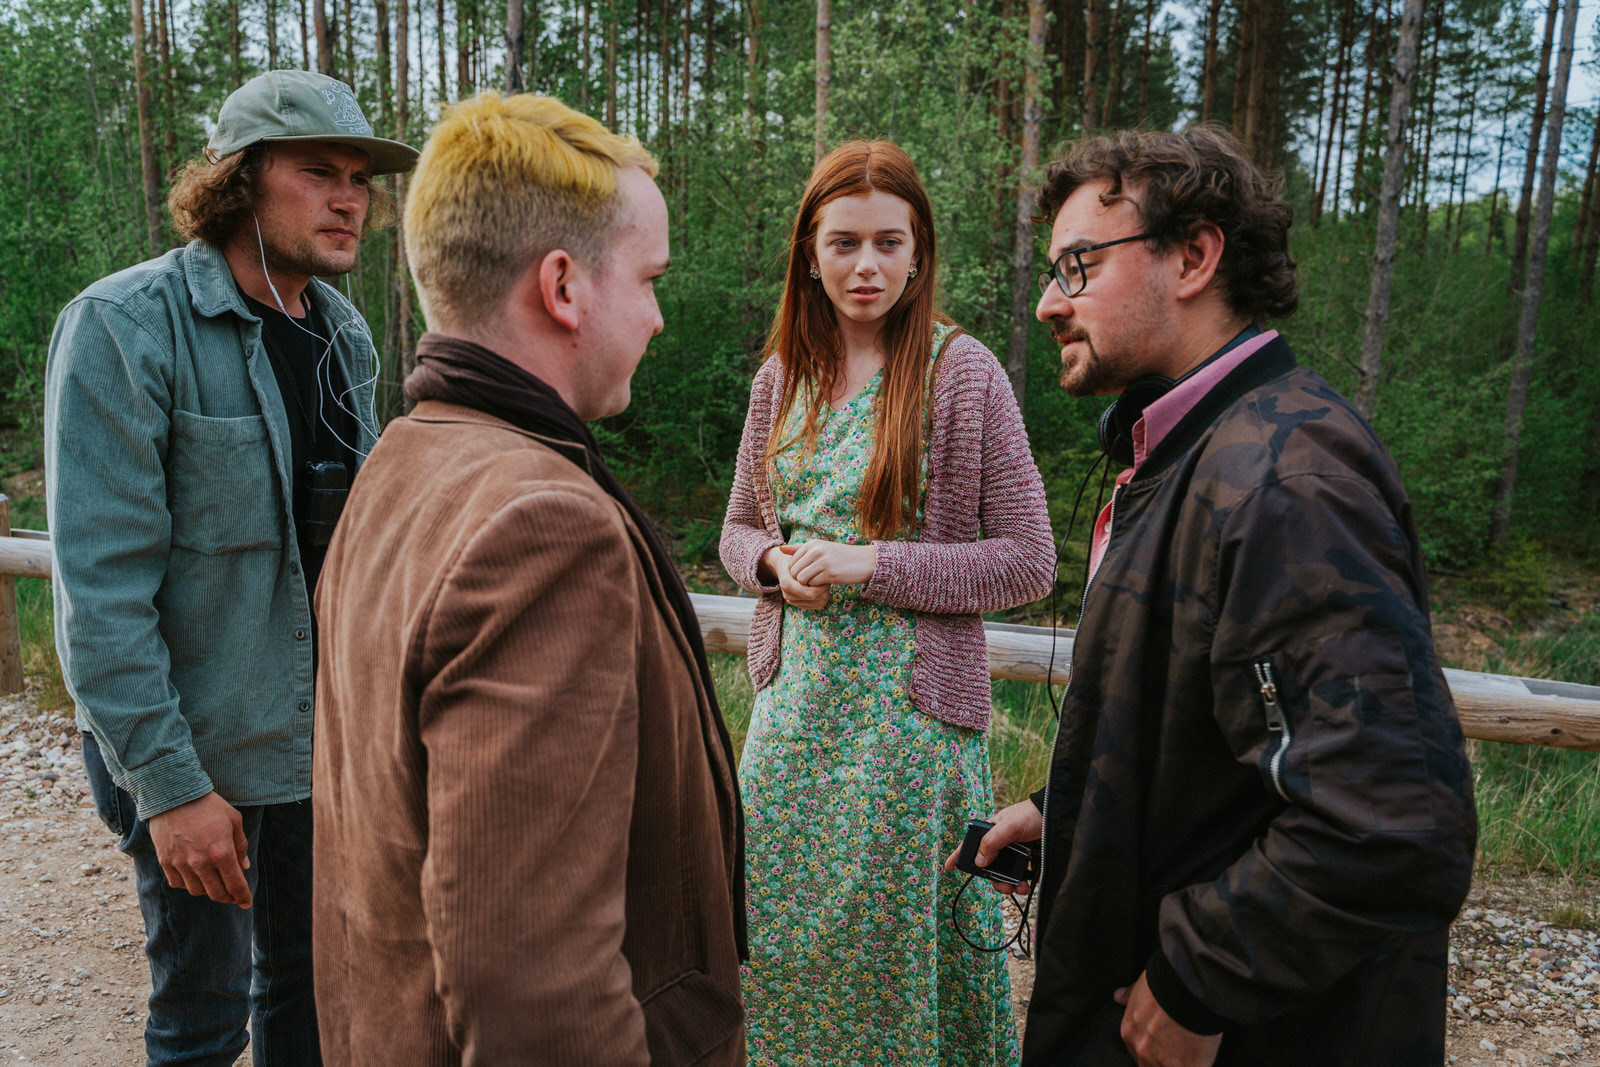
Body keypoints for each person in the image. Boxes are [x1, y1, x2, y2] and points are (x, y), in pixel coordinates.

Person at [958, 127, 1478, 1066]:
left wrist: (1198, 978)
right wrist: (1070, 812)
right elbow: (1221, 743)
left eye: (1077, 265)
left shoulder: (1286, 477)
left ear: (1195, 256)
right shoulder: (1199, 454)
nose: (1047, 302)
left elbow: (1392, 821)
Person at [311, 92, 746, 1064]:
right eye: (649, 278)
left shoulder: (402, 460)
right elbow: (532, 991)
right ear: (563, 286)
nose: (658, 316)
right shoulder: (542, 527)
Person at [45, 70, 415, 1065]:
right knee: (202, 1018)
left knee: (314, 996)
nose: (349, 198)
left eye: (360, 178)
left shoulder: (342, 333)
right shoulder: (126, 326)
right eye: (317, 172)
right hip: (192, 745)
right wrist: (171, 788)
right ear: (241, 179)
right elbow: (101, 594)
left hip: (313, 743)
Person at [721, 140, 1055, 1066]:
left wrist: (874, 564)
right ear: (810, 254)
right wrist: (772, 565)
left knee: (893, 964)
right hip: (791, 727)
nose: (865, 265)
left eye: (888, 243)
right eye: (843, 243)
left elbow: (1029, 559)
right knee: (775, 952)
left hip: (910, 737)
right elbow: (738, 529)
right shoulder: (781, 377)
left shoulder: (964, 372)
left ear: (918, 252)